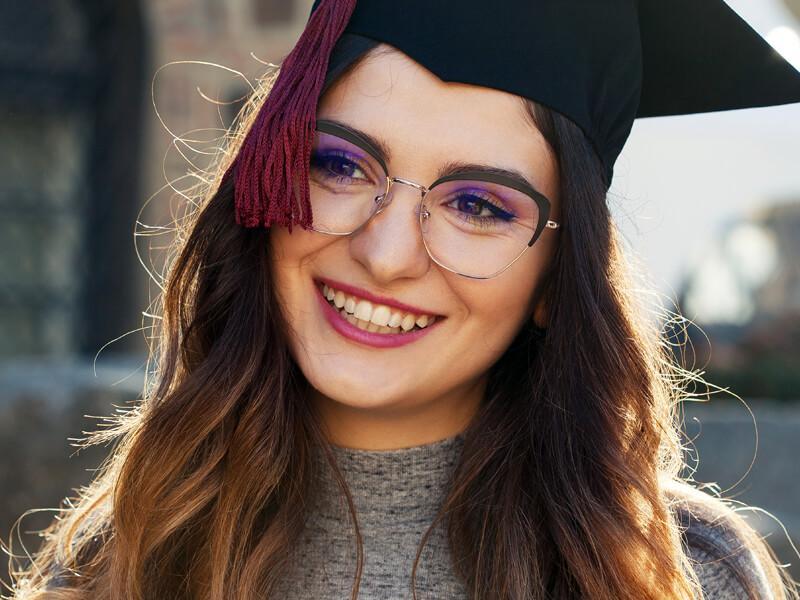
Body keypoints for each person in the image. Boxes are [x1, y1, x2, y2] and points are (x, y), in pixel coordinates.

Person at [6, 1, 800, 599]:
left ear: (556, 283)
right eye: (341, 166)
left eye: (479, 207)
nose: (385, 255)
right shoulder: (129, 556)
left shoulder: (676, 574)